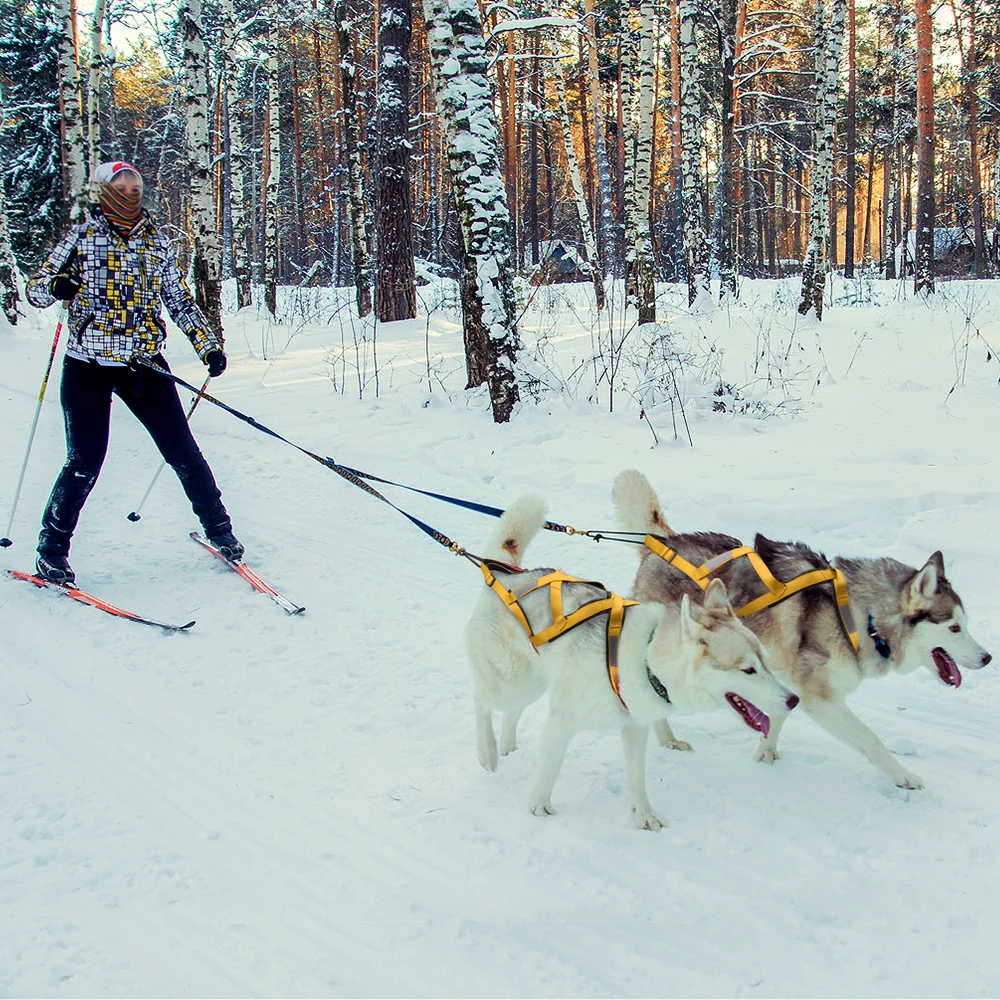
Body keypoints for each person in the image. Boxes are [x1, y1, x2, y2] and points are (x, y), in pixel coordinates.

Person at [25, 160, 242, 584]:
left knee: (183, 452)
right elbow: (36, 289)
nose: (129, 192)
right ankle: (51, 551)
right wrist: (56, 288)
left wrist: (208, 346)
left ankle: (221, 532)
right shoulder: (82, 237)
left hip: (143, 364)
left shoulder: (155, 242)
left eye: (134, 185)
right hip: (88, 364)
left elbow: (179, 300)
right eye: (120, 186)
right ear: (104, 192)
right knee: (84, 462)